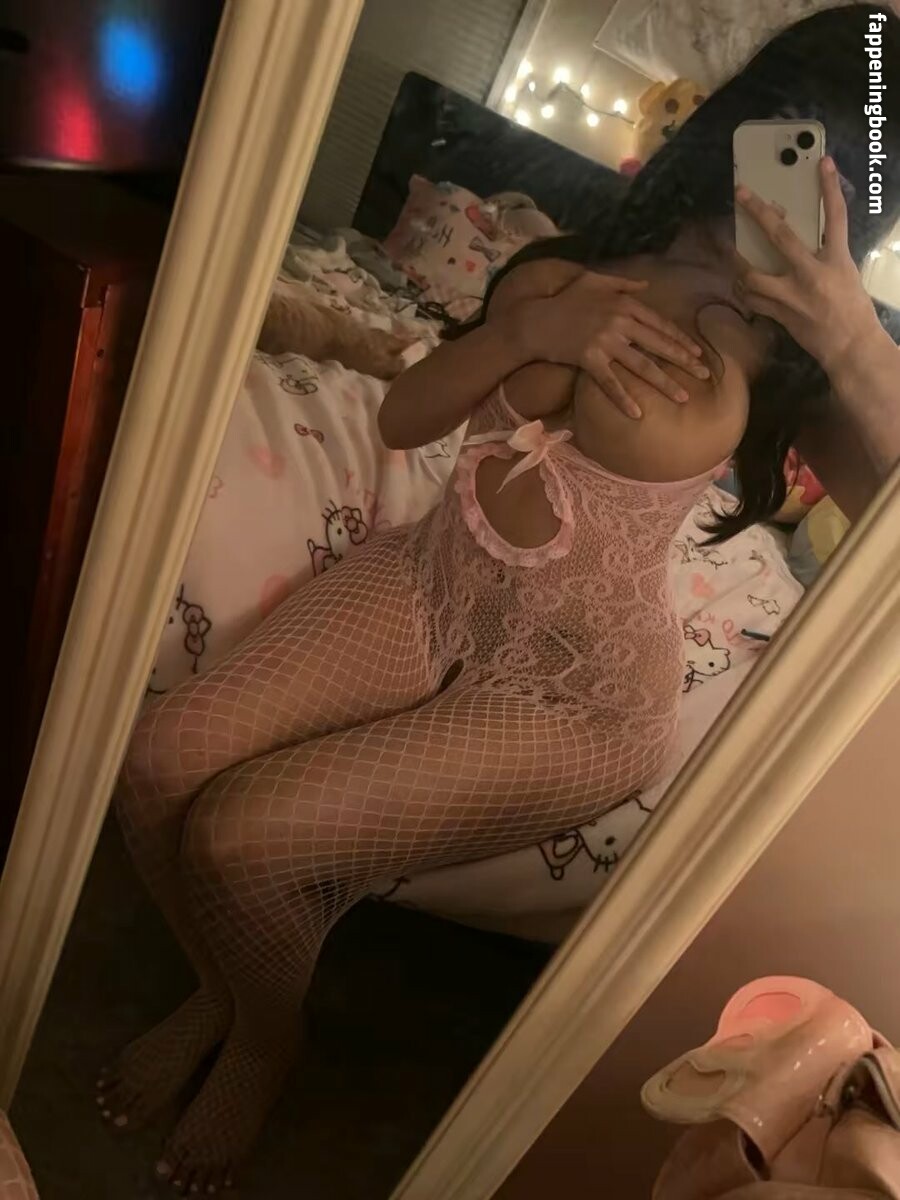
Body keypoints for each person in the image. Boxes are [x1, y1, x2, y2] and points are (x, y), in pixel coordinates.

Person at [98, 6, 900, 1192]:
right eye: (796, 139)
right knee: (159, 759)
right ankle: (228, 992)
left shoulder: (801, 363)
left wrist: (851, 334)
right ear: (748, 124)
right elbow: (403, 418)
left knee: (241, 839)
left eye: (851, 181)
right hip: (434, 580)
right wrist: (533, 325)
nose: (803, 188)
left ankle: (264, 1040)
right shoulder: (587, 249)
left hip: (578, 691)